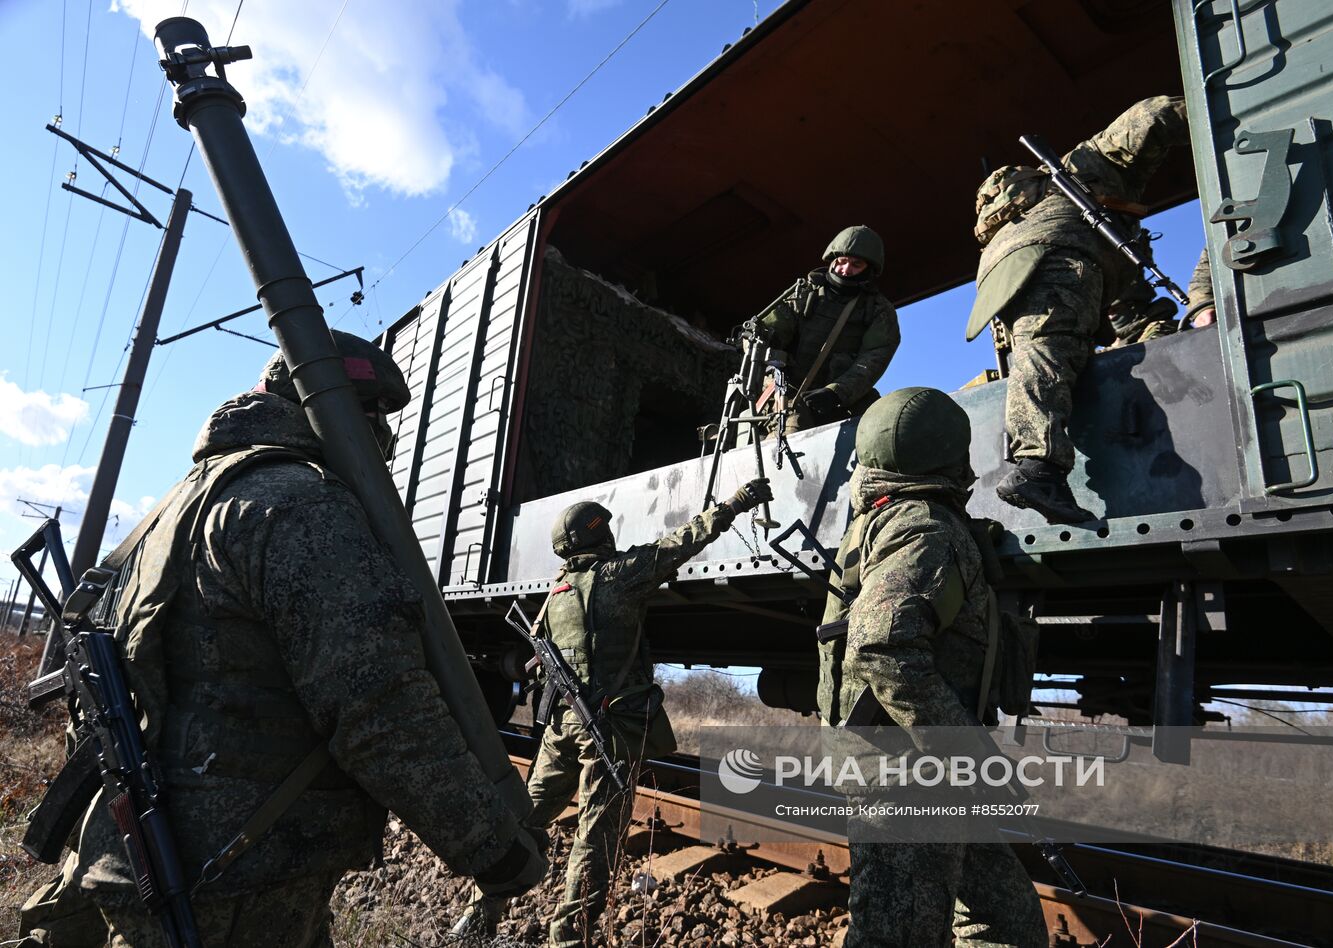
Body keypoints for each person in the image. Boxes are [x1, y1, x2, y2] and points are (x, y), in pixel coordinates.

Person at [68, 331, 543, 947]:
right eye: (375, 420)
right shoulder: (300, 506)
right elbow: (381, 711)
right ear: (339, 412)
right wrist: (495, 850)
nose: (386, 442)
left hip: (151, 857)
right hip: (237, 879)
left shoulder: (179, 507)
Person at [459, 476, 773, 946]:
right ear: (599, 535)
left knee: (524, 816)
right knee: (596, 836)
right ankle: (568, 937)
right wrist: (735, 503)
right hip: (606, 729)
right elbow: (682, 542)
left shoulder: (557, 593)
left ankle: (480, 911)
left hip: (562, 728)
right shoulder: (618, 576)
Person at [818, 387, 1047, 948]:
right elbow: (881, 646)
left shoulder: (892, 521)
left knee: (1007, 921)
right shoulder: (925, 528)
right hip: (909, 776)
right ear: (953, 456)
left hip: (928, 768)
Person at [968, 95, 1192, 523]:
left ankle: (1037, 463)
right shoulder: (1083, 167)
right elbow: (1154, 113)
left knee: (1044, 345)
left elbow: (1124, 304)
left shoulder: (1023, 216)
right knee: (1052, 344)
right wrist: (1219, 111)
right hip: (1062, 256)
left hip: (1012, 271)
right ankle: (1037, 468)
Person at [756, 226, 900, 431]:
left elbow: (874, 359)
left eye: (856, 264)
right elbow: (769, 335)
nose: (845, 270)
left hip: (844, 396)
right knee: (792, 431)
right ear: (832, 259)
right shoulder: (803, 293)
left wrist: (837, 392)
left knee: (882, 430)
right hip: (789, 390)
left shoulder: (878, 310)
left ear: (869, 269)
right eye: (841, 261)